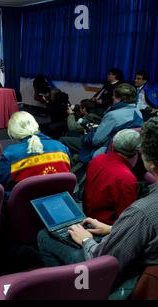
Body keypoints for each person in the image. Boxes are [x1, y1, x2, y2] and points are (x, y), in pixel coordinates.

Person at [37, 117, 158, 288]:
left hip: (118, 265)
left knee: (43, 235)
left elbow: (101, 258)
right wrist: (112, 229)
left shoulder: (141, 211)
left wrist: (86, 240)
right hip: (118, 236)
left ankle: (71, 290)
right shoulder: (136, 197)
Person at [0, 111, 71, 198]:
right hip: (59, 203)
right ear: (36, 125)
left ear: (13, 133)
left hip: (24, 206)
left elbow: (1, 183)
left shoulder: (10, 154)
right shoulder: (61, 148)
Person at [61, 83, 143, 163]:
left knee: (64, 140)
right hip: (126, 153)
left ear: (119, 99)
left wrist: (88, 135)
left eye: (114, 96)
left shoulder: (113, 115)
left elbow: (96, 140)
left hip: (104, 150)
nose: (112, 97)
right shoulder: (138, 113)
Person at [83, 129, 140, 225]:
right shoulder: (126, 178)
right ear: (137, 151)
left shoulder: (97, 159)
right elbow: (127, 220)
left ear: (113, 145)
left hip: (87, 216)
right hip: (106, 226)